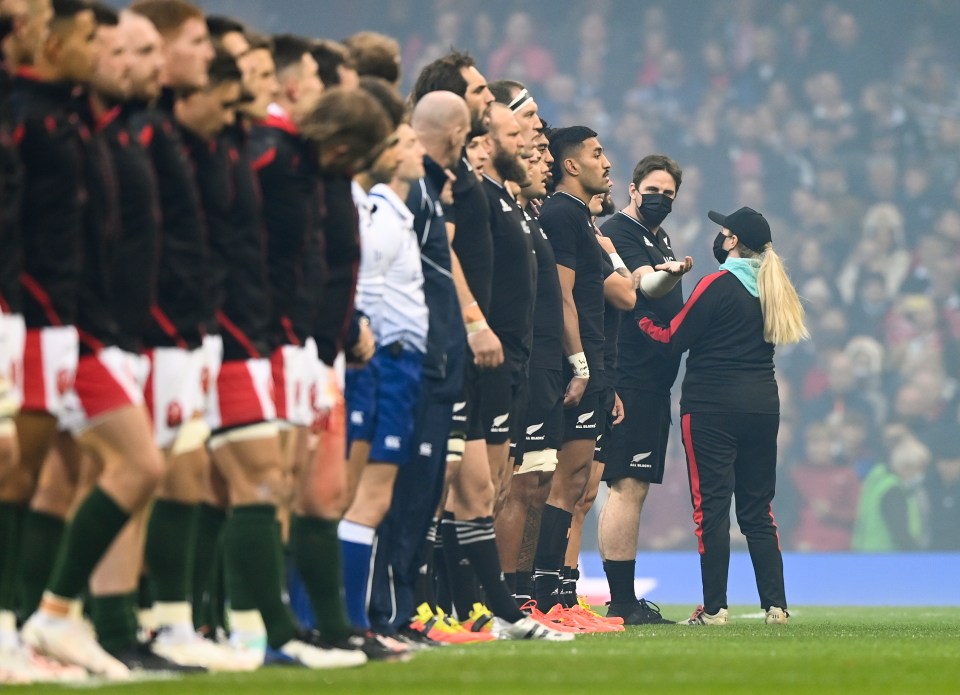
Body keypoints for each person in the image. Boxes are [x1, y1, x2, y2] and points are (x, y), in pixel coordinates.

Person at [637, 206, 808, 626]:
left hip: (711, 407)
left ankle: (714, 609)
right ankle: (777, 607)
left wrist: (637, 318)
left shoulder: (716, 285)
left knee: (711, 509)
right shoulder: (772, 289)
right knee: (757, 510)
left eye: (724, 232)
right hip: (762, 407)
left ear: (731, 241)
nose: (720, 237)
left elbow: (672, 338)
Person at [597, 154, 690, 624]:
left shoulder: (659, 236)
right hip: (630, 375)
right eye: (653, 190)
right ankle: (621, 602)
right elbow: (638, 286)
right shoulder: (619, 231)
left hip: (653, 379)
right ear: (633, 189)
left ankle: (623, 599)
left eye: (669, 194)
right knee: (626, 484)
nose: (660, 199)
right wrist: (668, 274)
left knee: (634, 486)